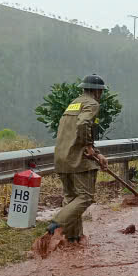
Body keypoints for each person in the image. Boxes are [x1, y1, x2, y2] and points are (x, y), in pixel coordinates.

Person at [46, 73, 108, 243]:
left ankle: (73, 237)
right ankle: (56, 223)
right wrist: (88, 146)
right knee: (85, 197)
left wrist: (96, 152)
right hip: (77, 159)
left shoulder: (74, 103)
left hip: (61, 157)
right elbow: (82, 124)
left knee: (71, 198)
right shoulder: (92, 104)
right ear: (98, 92)